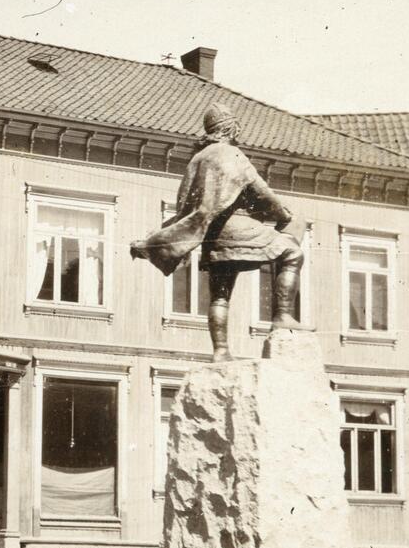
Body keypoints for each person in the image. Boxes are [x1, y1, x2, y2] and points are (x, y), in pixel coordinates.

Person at [130, 102, 306, 362]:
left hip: (213, 238)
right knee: (292, 253)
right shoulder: (231, 154)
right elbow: (260, 191)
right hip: (237, 226)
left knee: (220, 294)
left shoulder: (196, 160)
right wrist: (283, 215)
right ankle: (282, 315)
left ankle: (221, 351)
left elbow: (188, 205)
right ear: (231, 129)